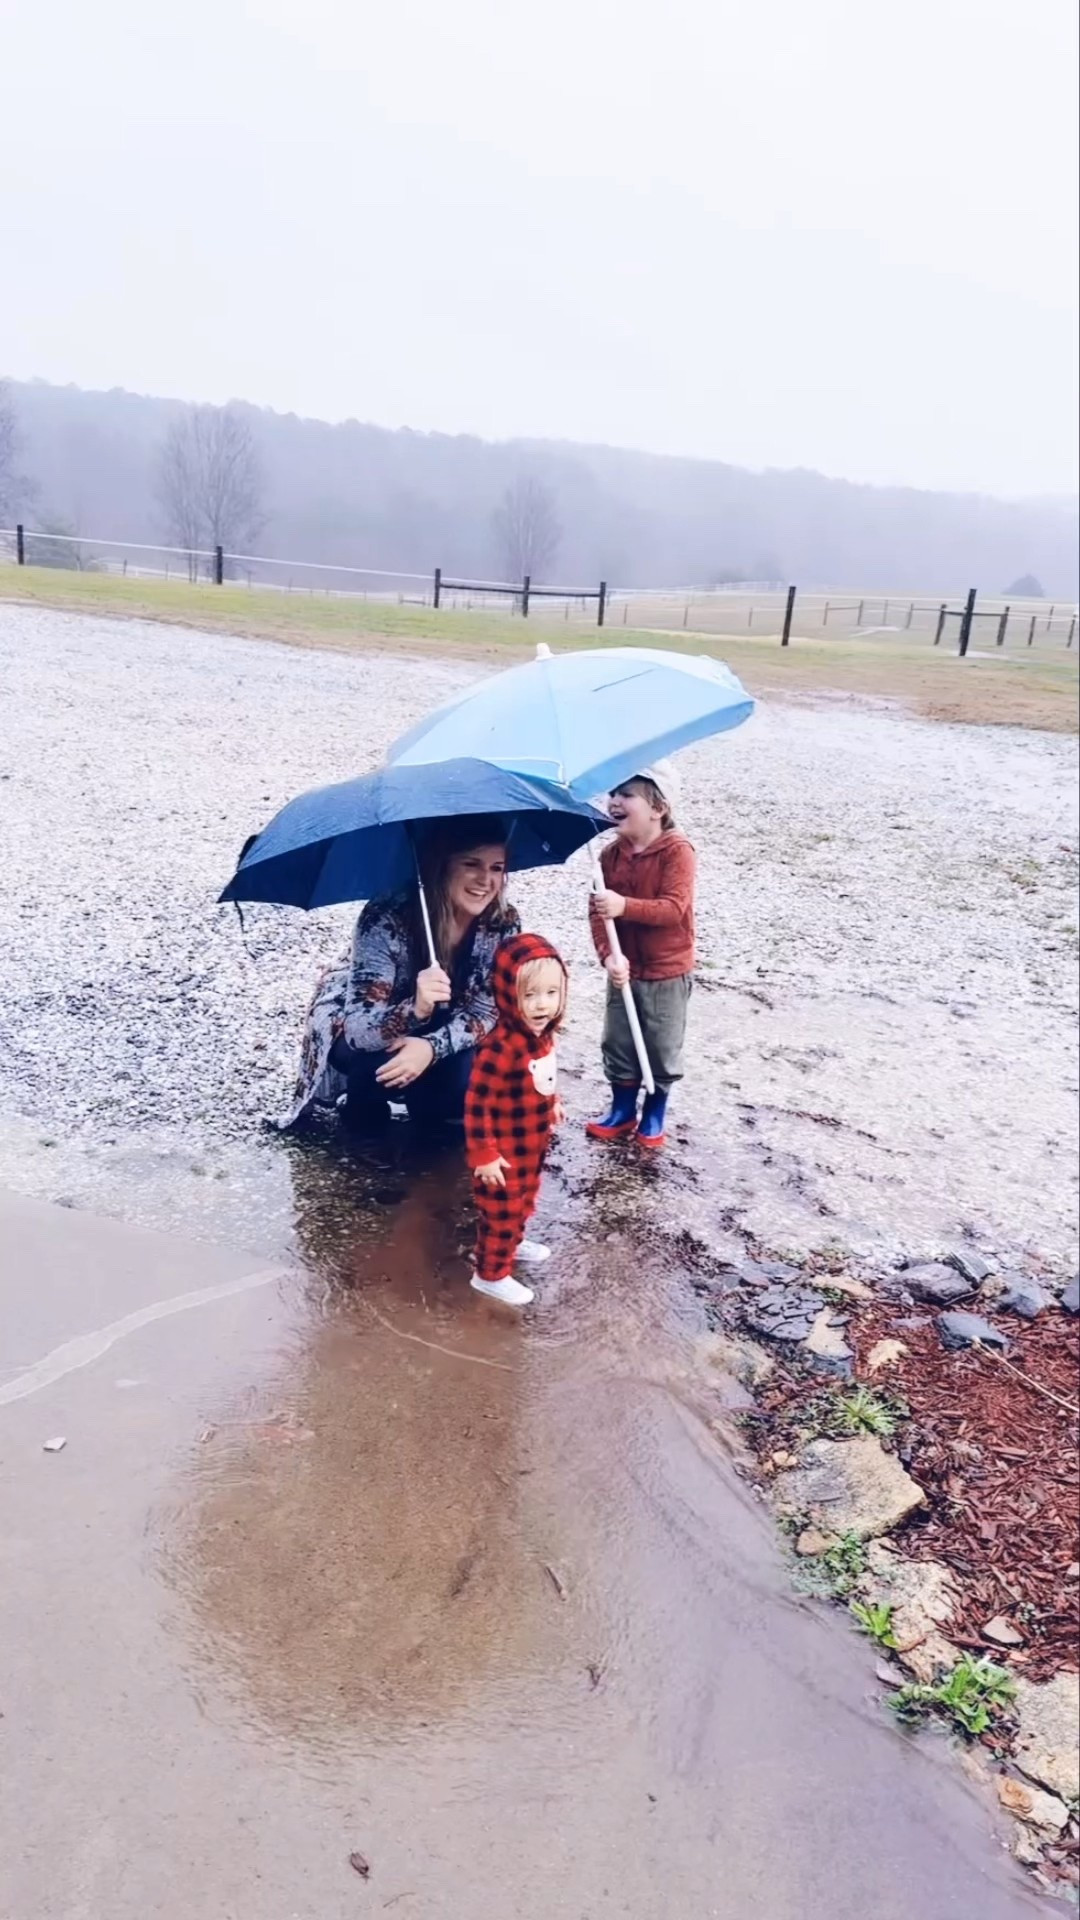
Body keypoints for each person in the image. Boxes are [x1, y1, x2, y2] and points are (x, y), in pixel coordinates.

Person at [274, 817, 520, 1132]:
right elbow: (360, 1031)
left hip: (447, 1021)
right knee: (373, 1060)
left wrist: (430, 1048)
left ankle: (427, 1113)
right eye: (472, 864)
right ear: (442, 865)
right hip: (366, 1023)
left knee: (463, 1079)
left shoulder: (503, 922)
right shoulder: (384, 917)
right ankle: (363, 1115)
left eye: (497, 868)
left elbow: (486, 1011)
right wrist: (415, 1009)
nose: (486, 880)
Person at [585, 759, 695, 1150]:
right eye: (612, 793)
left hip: (667, 970)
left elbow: (673, 908)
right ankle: (621, 1108)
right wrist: (607, 955)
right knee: (619, 1040)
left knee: (661, 1043)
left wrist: (624, 906)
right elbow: (598, 914)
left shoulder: (677, 851)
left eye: (626, 794)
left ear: (658, 807)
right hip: (624, 968)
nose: (614, 801)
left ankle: (654, 1110)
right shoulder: (609, 857)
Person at [465, 933, 567, 1307]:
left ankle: (514, 1243)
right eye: (530, 996)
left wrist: (553, 1102)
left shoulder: (541, 1036)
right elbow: (477, 1104)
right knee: (500, 1213)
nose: (542, 1005)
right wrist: (484, 1154)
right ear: (509, 995)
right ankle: (489, 1275)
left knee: (524, 1201)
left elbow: (544, 1076)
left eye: (551, 993)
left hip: (531, 1144)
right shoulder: (500, 1047)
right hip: (502, 1151)